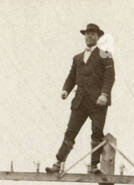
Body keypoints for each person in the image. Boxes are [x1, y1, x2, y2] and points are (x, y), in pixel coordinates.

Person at [45, 23, 116, 174]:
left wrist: (104, 94)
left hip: (98, 103)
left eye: (93, 34)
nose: (89, 36)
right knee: (70, 131)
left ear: (98, 37)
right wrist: (65, 90)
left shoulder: (105, 54)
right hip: (80, 101)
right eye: (87, 34)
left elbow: (110, 77)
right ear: (85, 36)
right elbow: (71, 77)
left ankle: (94, 166)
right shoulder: (77, 58)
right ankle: (58, 163)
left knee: (97, 132)